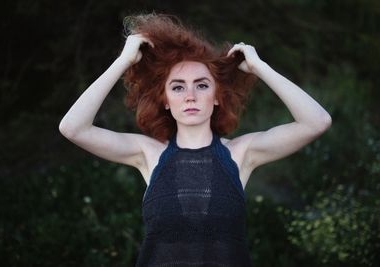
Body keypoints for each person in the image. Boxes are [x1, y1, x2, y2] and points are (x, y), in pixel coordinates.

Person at [59, 13, 331, 267]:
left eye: (202, 85)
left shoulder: (241, 154)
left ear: (216, 97)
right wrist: (123, 61)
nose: (190, 95)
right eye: (177, 87)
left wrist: (259, 67)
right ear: (165, 101)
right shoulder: (147, 154)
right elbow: (73, 128)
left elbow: (316, 122)